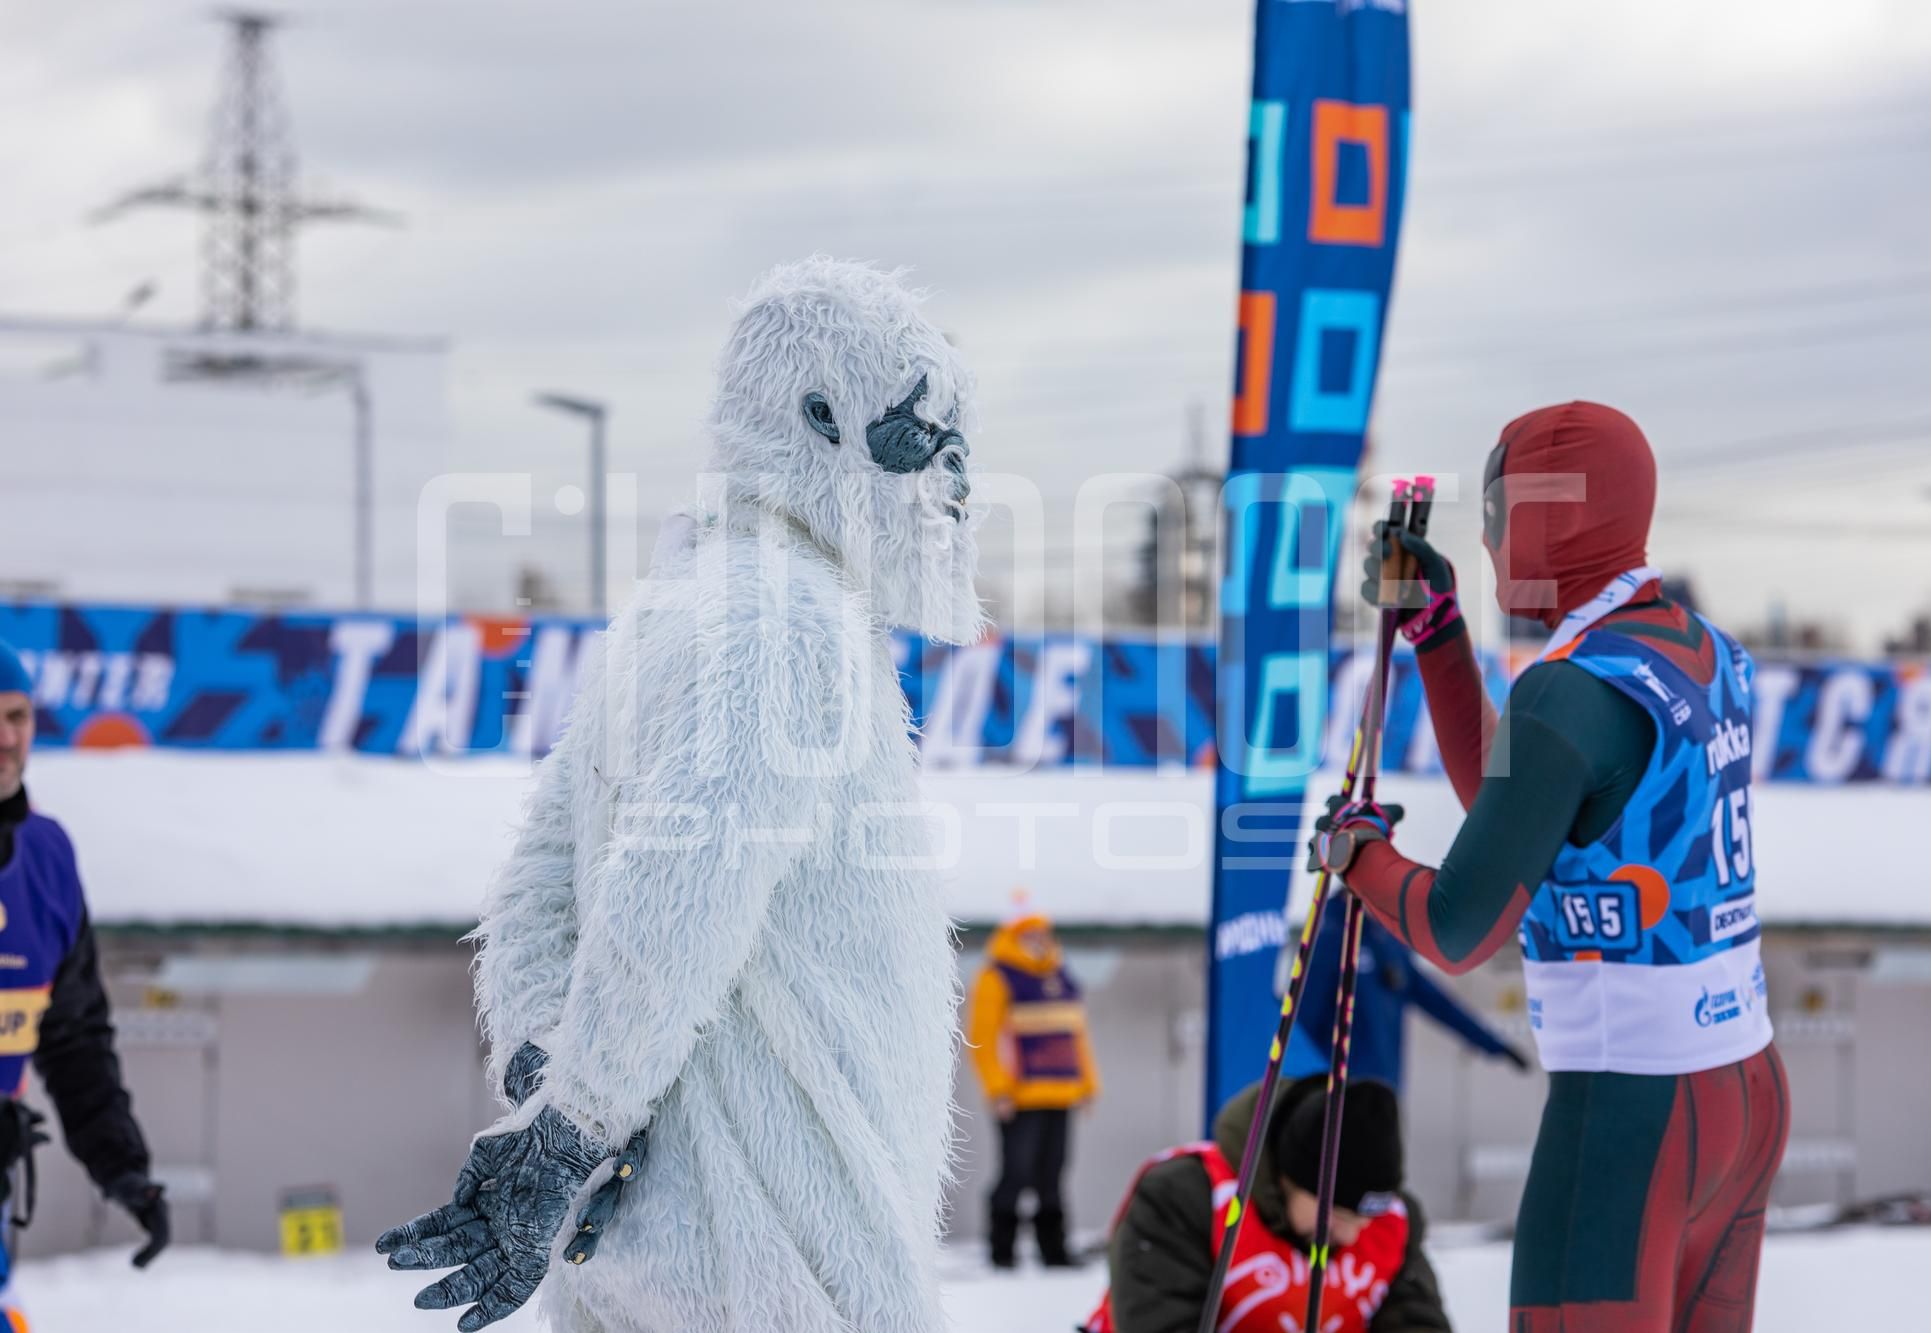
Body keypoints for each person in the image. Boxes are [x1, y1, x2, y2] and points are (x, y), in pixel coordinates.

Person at [378, 258, 986, 1332]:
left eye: (956, 449)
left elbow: (533, 900)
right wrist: (569, 1127)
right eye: (916, 438)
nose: (950, 483)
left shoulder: (664, 622)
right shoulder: (789, 628)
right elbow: (675, 900)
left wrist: (550, 1091)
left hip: (642, 1252)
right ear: (818, 423)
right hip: (777, 1270)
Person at [1314, 403, 1789, 1330]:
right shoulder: (1700, 648)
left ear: (1546, 517)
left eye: (1495, 519)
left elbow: (1458, 926)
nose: (1490, 546)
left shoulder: (1569, 688)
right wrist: (1439, 633)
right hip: (1744, 1085)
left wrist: (1360, 857)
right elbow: (1524, 806)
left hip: (1631, 1109)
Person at [0, 645, 170, 1324]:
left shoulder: (48, 859)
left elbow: (73, 1040)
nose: (7, 737)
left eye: (17, 716)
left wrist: (120, 1164)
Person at [1083, 1077, 1449, 1333]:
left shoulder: (1392, 1224)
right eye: (1335, 1215)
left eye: (1366, 1219)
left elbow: (1416, 1319)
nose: (1352, 1235)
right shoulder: (1186, 1197)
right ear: (1287, 1179)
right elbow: (1159, 1322)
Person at [966, 911, 1099, 1269]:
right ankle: (1002, 1251)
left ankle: (1054, 1251)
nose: (1039, 940)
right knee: (1016, 1173)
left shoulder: (1060, 974)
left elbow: (1076, 1036)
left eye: (1043, 934)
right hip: (1019, 1098)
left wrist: (1087, 1084)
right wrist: (997, 1090)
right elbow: (983, 1039)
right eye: (1030, 934)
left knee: (1053, 1174)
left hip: (1061, 1093)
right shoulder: (997, 977)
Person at [1282, 912, 1530, 1091]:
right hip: (1340, 1096)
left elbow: (1440, 1005)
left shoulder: (1389, 943)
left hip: (1386, 1090)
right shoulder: (1329, 942)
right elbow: (1302, 1027)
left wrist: (1496, 1045)